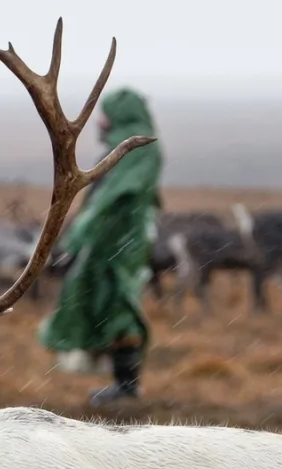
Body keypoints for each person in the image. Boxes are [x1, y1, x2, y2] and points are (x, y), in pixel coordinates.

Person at [38, 87, 163, 406]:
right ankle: (121, 382)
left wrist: (78, 237)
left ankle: (127, 387)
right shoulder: (128, 147)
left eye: (105, 114)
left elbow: (113, 197)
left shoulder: (138, 148)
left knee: (119, 305)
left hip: (120, 241)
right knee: (103, 301)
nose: (100, 121)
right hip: (111, 240)